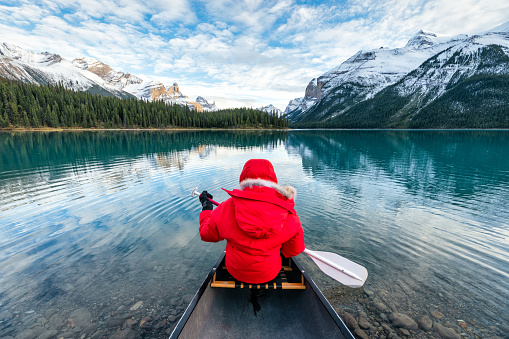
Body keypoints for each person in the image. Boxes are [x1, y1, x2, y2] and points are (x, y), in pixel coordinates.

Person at [198, 159, 305, 284]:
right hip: (270, 272)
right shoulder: (288, 212)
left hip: (236, 271)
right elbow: (294, 249)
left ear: (243, 179)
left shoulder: (226, 208)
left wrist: (206, 208)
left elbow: (206, 234)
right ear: (273, 180)